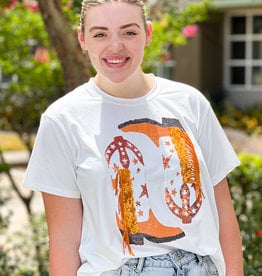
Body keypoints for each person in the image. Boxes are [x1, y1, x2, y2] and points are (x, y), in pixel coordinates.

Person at [23, 0, 244, 275]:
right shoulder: (62, 120)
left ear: (148, 33)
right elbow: (64, 239)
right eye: (100, 34)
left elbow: (223, 211)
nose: (115, 47)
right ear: (82, 38)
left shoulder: (190, 102)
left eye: (129, 32)